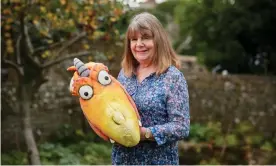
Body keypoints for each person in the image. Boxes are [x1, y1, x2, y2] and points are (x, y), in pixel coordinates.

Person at [112, 12, 190, 165]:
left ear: (158, 40)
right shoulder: (124, 74)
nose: (139, 44)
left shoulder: (172, 77)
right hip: (122, 160)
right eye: (134, 39)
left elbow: (181, 126)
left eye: (145, 38)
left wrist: (146, 133)